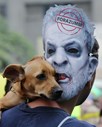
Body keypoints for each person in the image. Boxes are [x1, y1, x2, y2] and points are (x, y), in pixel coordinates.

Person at [0, 4, 99, 127]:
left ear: (91, 67)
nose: (59, 59)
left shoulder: (6, 117)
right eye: (51, 50)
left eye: (72, 50)